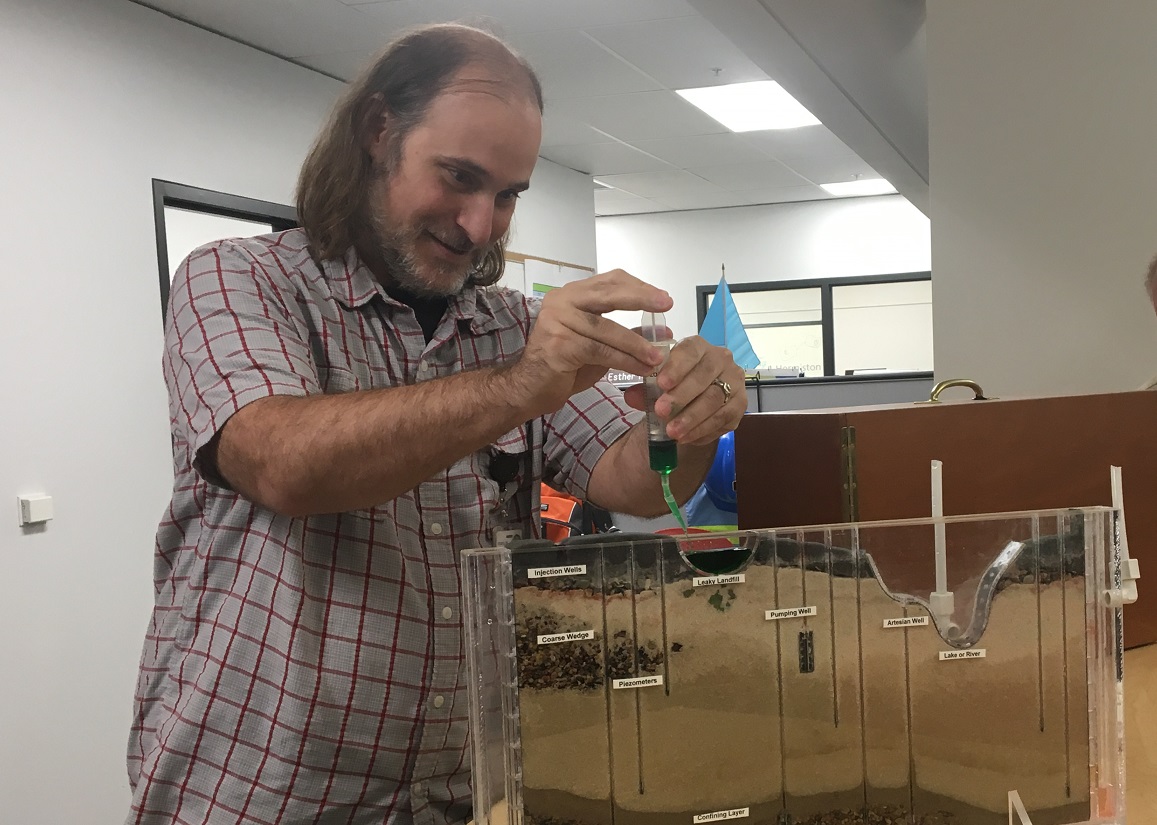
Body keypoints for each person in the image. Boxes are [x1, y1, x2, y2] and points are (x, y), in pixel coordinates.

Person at [126, 23, 745, 825]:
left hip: (459, 789)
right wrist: (520, 384)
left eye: (509, 193)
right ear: (378, 132)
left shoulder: (513, 325)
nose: (481, 224)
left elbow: (632, 480)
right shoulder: (236, 279)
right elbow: (284, 463)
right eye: (459, 177)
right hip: (258, 791)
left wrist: (689, 415)